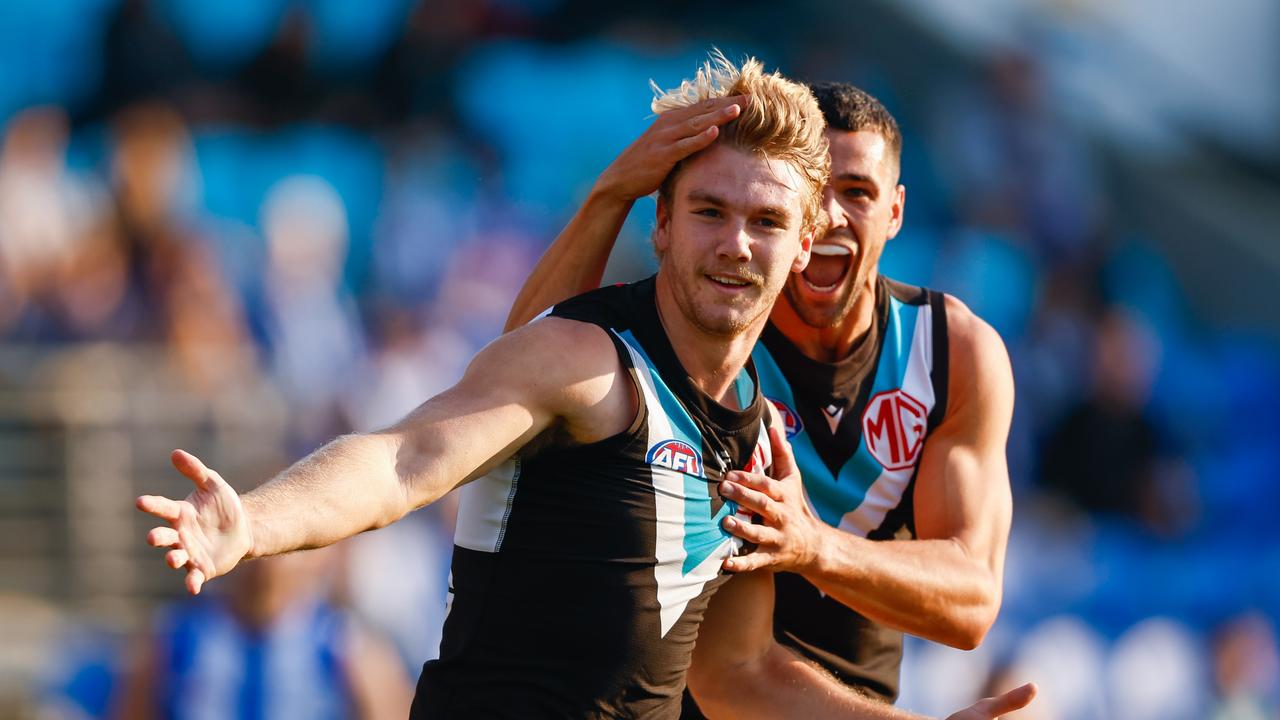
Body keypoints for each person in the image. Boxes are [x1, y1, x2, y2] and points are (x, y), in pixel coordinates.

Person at [139, 54, 1031, 719]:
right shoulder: (586, 357)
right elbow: (404, 459)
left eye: (764, 221)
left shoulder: (760, 435)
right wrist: (252, 522)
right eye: (710, 212)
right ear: (664, 224)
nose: (734, 245)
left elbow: (737, 674)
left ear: (802, 245)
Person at [504, 81, 1015, 705]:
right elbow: (515, 377)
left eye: (857, 192)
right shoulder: (710, 323)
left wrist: (812, 546)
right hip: (693, 692)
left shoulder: (950, 353)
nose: (831, 214)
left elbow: (971, 601)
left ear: (897, 212)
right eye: (816, 190)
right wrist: (612, 193)